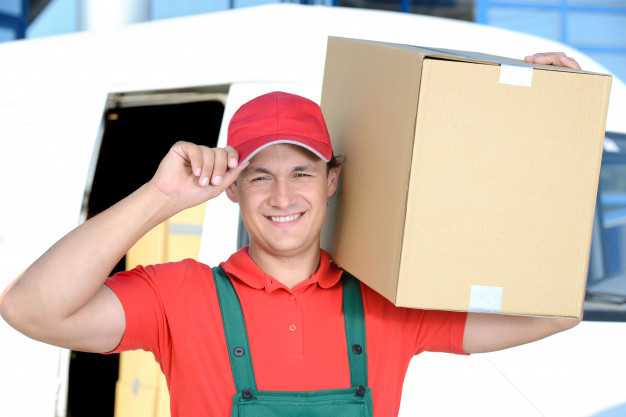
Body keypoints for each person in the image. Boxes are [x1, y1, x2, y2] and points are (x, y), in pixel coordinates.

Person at [1, 52, 582, 416]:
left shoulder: (388, 301)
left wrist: (542, 123)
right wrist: (160, 198)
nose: (282, 198)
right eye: (260, 177)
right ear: (230, 187)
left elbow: (554, 313)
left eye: (301, 172)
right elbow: (31, 310)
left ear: (332, 180)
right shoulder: (178, 297)